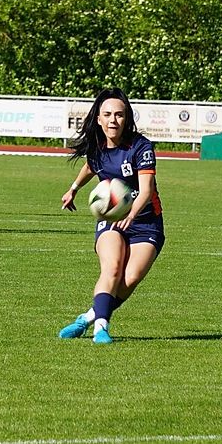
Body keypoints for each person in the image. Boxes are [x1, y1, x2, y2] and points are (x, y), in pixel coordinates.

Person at [58, 87, 165, 344]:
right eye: (107, 114)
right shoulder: (97, 148)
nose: (113, 120)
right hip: (110, 219)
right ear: (99, 119)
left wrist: (132, 214)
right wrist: (73, 189)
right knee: (113, 267)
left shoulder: (141, 146)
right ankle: (101, 328)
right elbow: (90, 166)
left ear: (126, 118)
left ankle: (88, 318)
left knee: (129, 280)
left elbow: (146, 189)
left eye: (119, 114)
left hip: (146, 221)